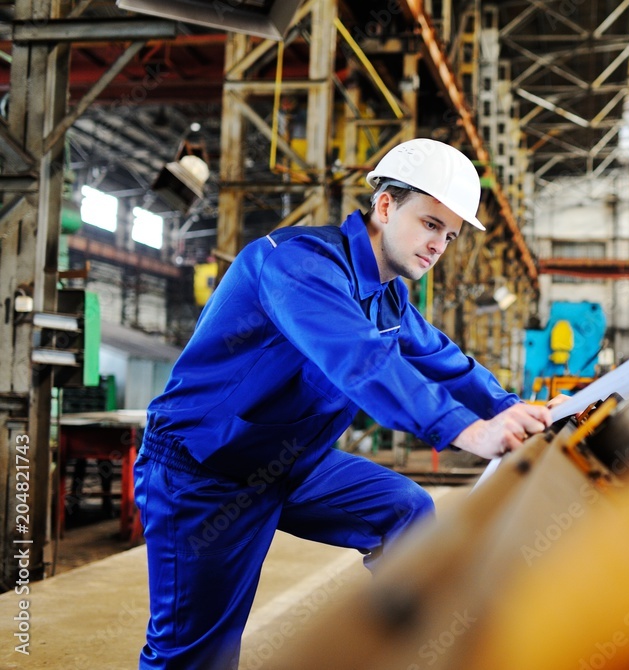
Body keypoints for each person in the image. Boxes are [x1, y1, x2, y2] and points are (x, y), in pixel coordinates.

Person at [134, 138, 553, 669]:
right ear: (386, 205)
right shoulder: (297, 265)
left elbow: (443, 360)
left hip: (288, 463)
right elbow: (359, 359)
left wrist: (517, 411)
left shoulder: (387, 295)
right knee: (196, 655)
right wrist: (466, 430)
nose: (438, 246)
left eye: (449, 235)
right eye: (430, 224)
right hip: (205, 469)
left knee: (405, 511)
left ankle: (414, 653)